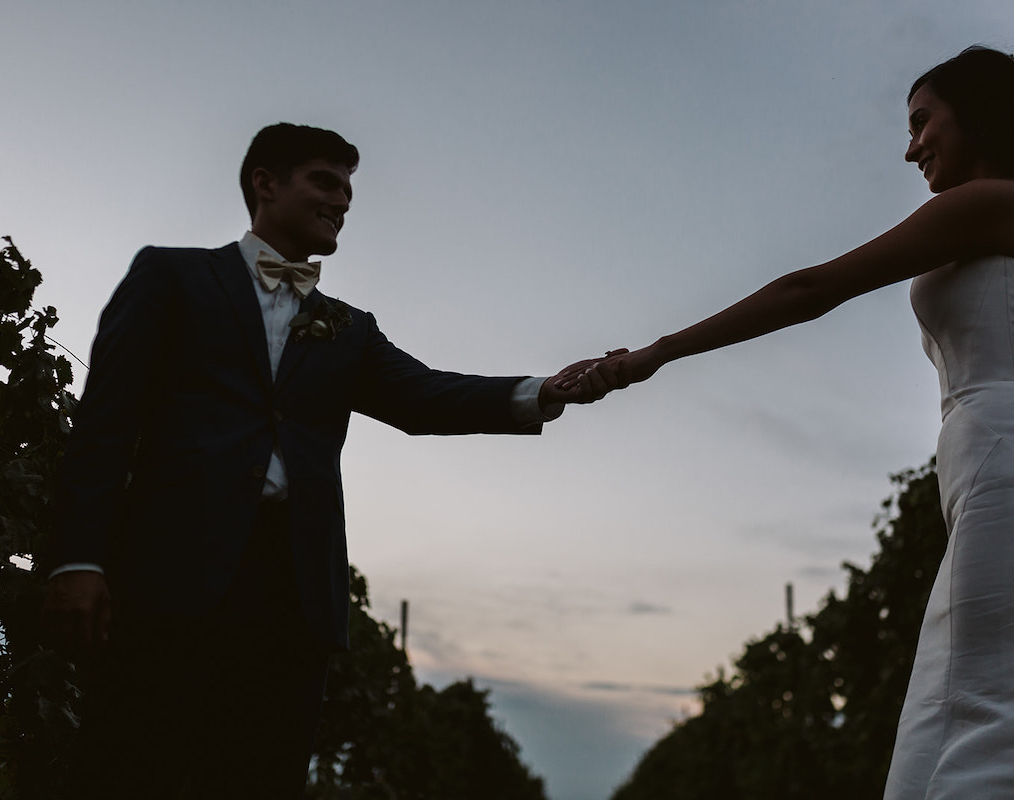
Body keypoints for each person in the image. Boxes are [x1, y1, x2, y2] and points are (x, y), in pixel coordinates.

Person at [570, 47, 1014, 798]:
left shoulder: (997, 203)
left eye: (922, 122)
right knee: (1000, 702)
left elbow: (814, 287)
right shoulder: (1013, 213)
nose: (911, 145)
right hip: (1006, 467)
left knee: (996, 711)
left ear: (976, 114)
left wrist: (660, 351)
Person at [42, 122, 615, 799]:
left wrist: (544, 392)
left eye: (348, 190)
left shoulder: (350, 327)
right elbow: (105, 422)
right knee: (133, 767)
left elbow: (426, 396)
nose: (342, 200)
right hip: (170, 576)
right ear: (265, 183)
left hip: (293, 595)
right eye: (325, 181)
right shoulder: (171, 276)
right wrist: (78, 557)